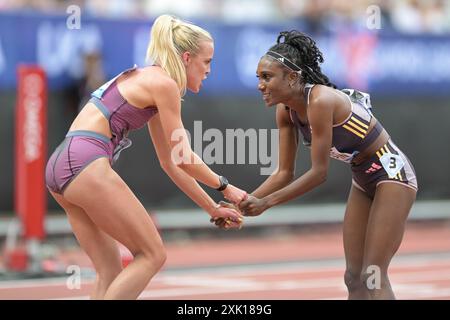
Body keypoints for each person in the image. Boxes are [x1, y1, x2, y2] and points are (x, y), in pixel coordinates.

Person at [45, 15, 246, 300]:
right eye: (207, 61)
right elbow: (184, 156)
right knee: (152, 254)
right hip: (85, 164)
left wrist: (212, 208)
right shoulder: (165, 84)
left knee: (110, 270)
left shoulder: (149, 79)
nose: (209, 70)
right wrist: (226, 187)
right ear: (187, 57)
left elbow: (170, 163)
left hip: (61, 166)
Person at [215, 30, 418, 300]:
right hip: (363, 176)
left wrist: (266, 203)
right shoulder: (285, 110)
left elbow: (319, 173)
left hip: (392, 174)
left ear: (292, 77)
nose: (260, 85)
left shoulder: (320, 101)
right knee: (353, 278)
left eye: (267, 77)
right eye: (259, 78)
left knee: (373, 276)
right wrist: (244, 202)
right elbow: (284, 172)